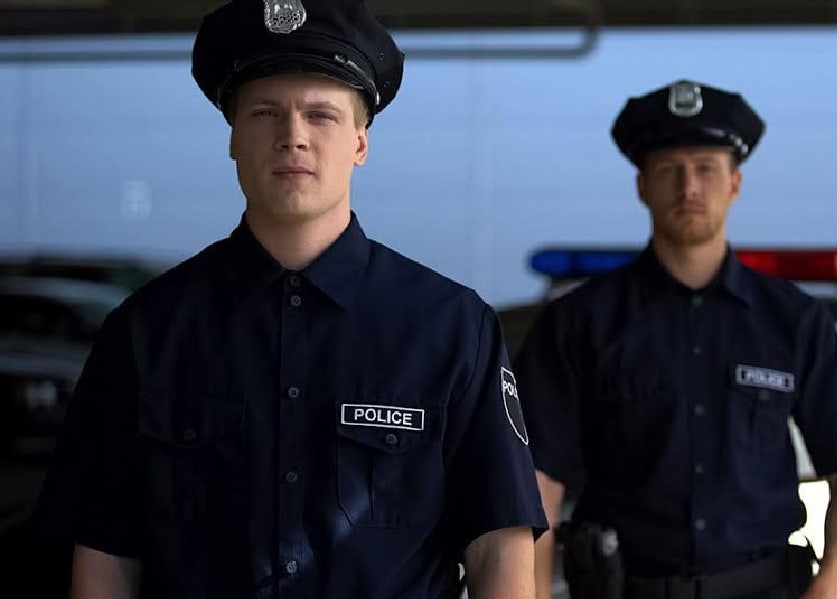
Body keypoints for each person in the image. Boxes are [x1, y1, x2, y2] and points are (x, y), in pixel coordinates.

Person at [31, 0, 546, 597]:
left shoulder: (453, 327)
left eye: (320, 115)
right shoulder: (146, 331)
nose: (292, 136)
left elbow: (497, 547)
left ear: (359, 144)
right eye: (266, 113)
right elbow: (105, 555)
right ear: (232, 140)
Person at [514, 80, 837, 599]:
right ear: (642, 185)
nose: (689, 188)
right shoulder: (578, 323)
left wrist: (827, 589)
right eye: (669, 171)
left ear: (734, 183)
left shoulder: (794, 320)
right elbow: (537, 487)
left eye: (706, 169)